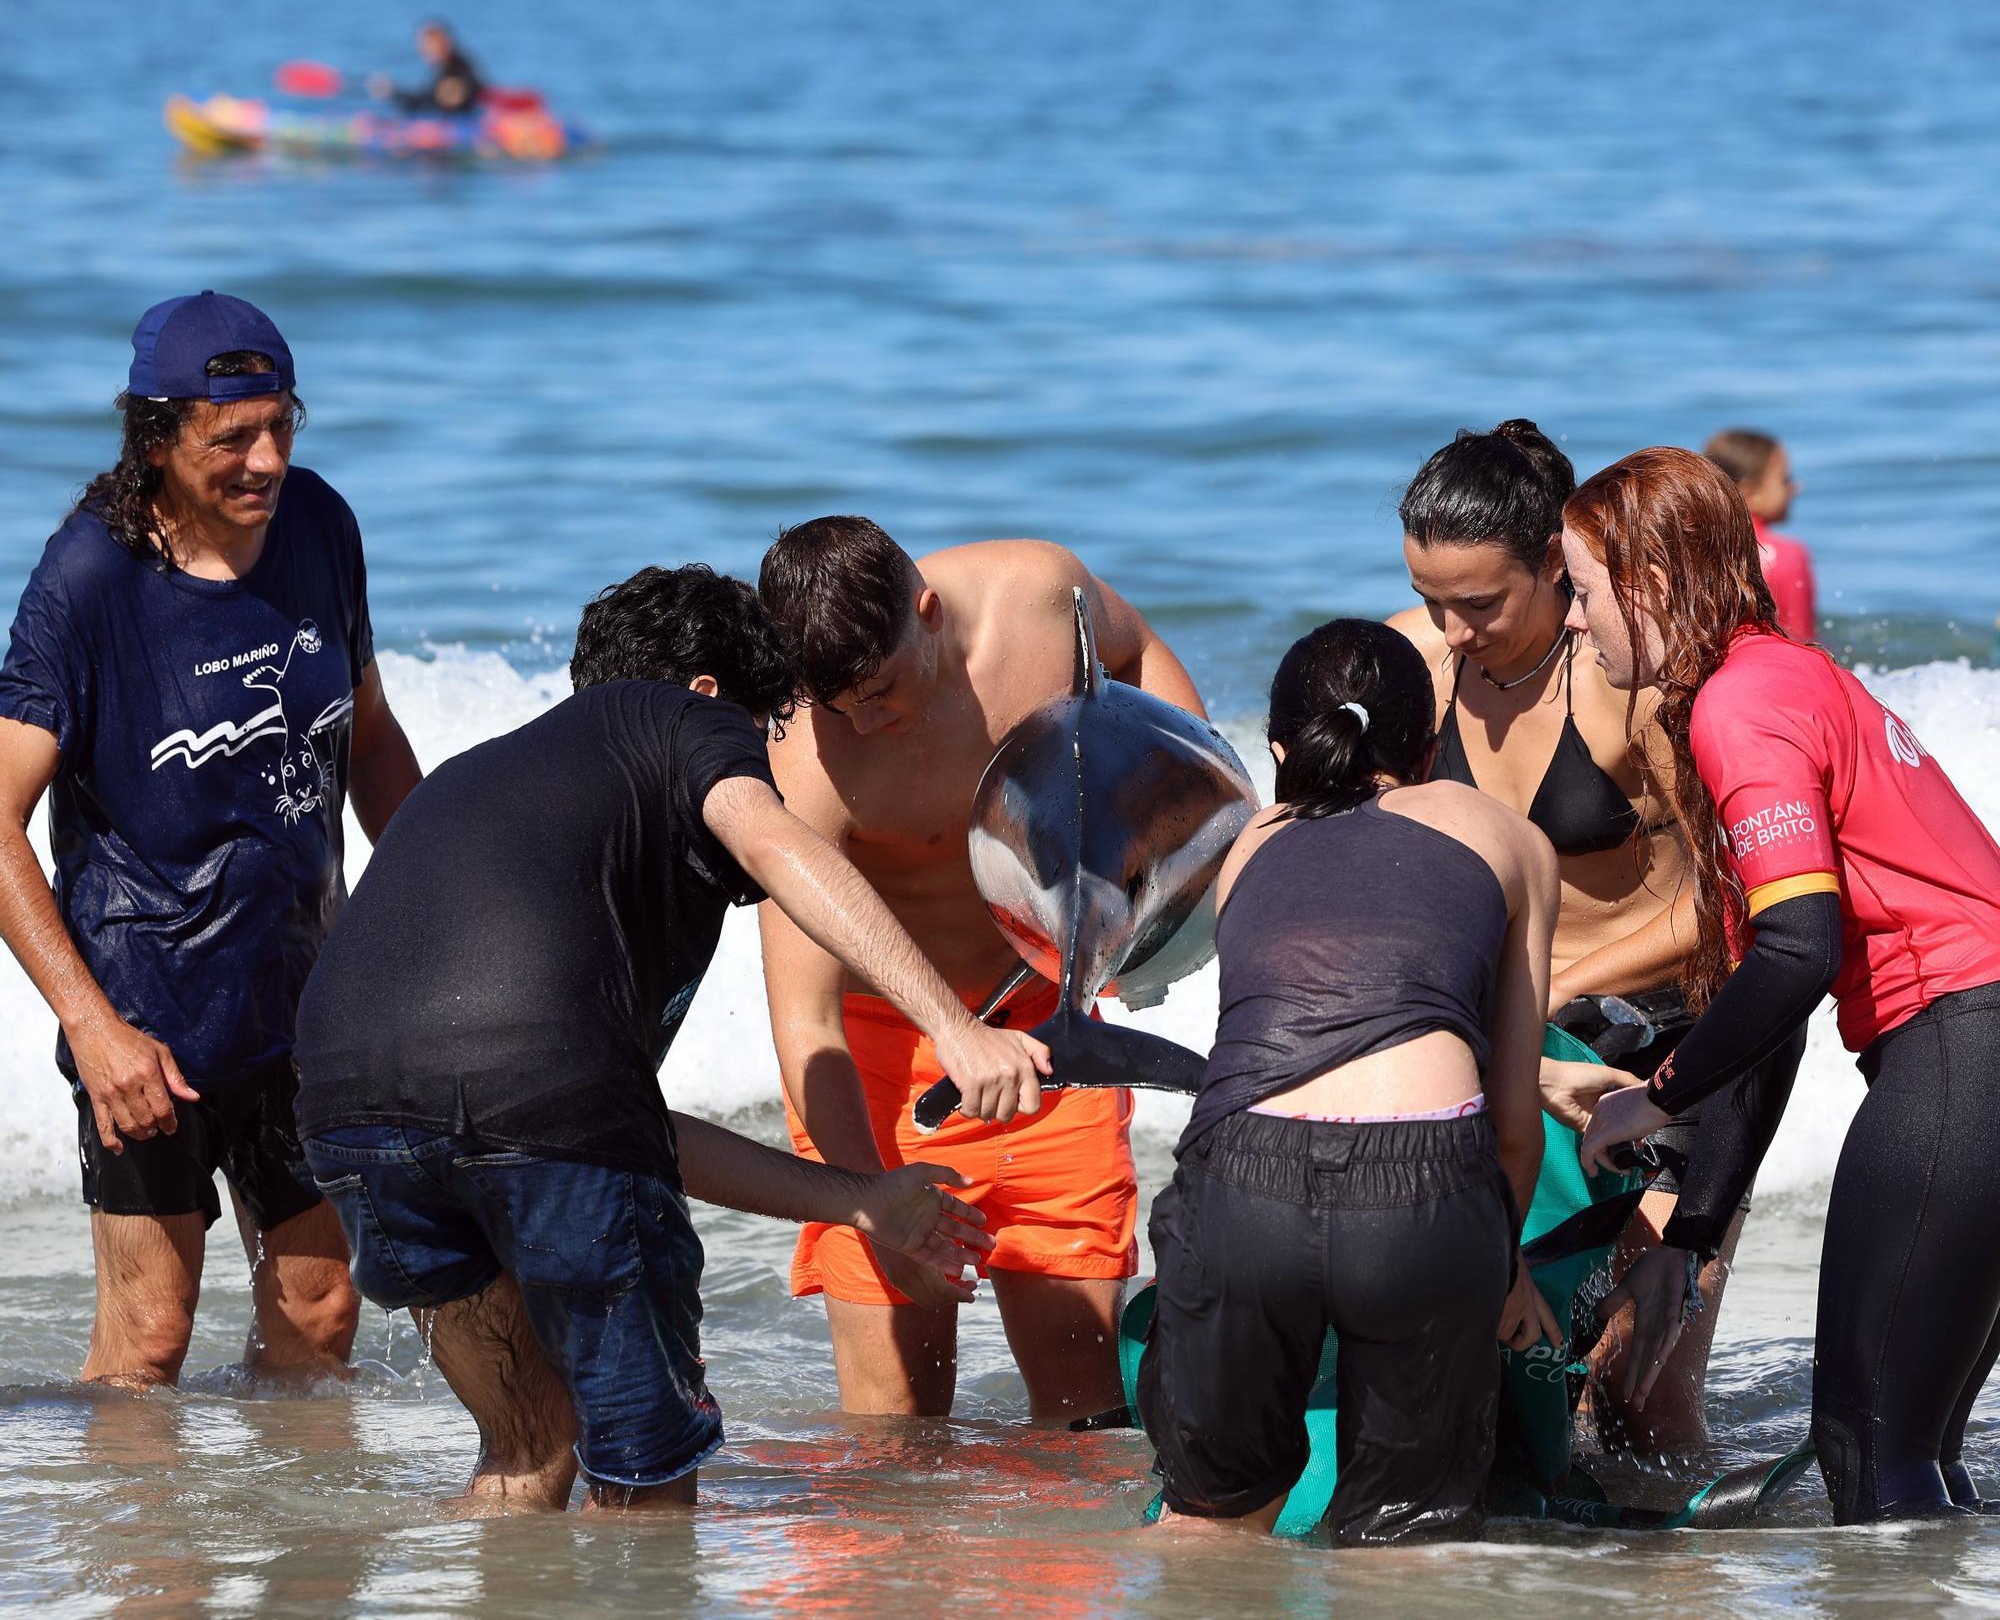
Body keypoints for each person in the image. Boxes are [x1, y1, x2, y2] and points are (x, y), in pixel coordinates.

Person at [291, 564, 1049, 1512]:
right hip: (530, 1106)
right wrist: (954, 1023)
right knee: (644, 1480)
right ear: (706, 694)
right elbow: (773, 846)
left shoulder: (493, 790)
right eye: (770, 724)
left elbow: (613, 1129)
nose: (773, 756)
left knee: (529, 1443)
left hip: (344, 1110)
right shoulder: (680, 719)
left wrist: (859, 1201)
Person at [1566, 446, 2000, 1524]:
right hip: (1975, 1057)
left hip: (1959, 1051)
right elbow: (1770, 1015)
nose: (1573, 623)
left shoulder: (1736, 707)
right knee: (1912, 1456)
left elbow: (1795, 955)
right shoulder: (1788, 674)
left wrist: (1652, 1093)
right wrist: (1691, 1239)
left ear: (1647, 585)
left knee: (1865, 1452)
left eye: (1580, 592)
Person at [0, 291, 422, 1389]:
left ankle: (289, 1537)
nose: (267, 459)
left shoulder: (322, 528)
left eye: (281, 425)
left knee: (325, 1312)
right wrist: (92, 1030)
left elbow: (369, 740)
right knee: (151, 1339)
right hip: (150, 1021)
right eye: (232, 436)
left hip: (299, 996)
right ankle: (149, 1561)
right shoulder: (87, 581)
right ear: (156, 438)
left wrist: (435, 920)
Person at [1385, 419, 1804, 1450]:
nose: (1449, 630)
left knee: (1637, 1398)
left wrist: (1548, 976)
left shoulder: (1629, 679)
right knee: (1499, 1365)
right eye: (1431, 598)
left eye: (1479, 604)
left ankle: (1686, 1578)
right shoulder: (1412, 665)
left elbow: (1729, 900)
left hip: (1670, 1056)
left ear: (1556, 569)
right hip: (1507, 1054)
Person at [756, 517, 1208, 1421]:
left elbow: (1140, 652)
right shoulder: (805, 754)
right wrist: (867, 1202)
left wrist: (1173, 856)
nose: (865, 722)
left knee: (1081, 1419)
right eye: (838, 703)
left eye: (880, 690)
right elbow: (808, 1023)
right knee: (894, 1437)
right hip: (882, 1069)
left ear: (926, 611)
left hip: (1045, 1032)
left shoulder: (1037, 600)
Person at [1138, 619, 1561, 1543]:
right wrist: (1501, 1268)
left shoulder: (1248, 841)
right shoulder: (1511, 836)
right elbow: (1514, 1126)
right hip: (1424, 1188)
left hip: (1243, 1175)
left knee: (1206, 1525)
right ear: (1430, 740)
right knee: (1405, 1548)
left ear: (1284, 750)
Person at [1704, 429, 1814, 641]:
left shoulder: (1695, 546)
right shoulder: (1786, 555)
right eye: (1785, 479)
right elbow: (1802, 641)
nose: (1795, 488)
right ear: (1747, 492)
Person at [368, 21, 486, 116]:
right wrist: (394, 93)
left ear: (444, 44)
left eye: (428, 46)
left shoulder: (460, 70)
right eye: (423, 46)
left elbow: (434, 101)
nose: (424, 51)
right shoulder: (444, 70)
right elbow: (428, 98)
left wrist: (395, 94)